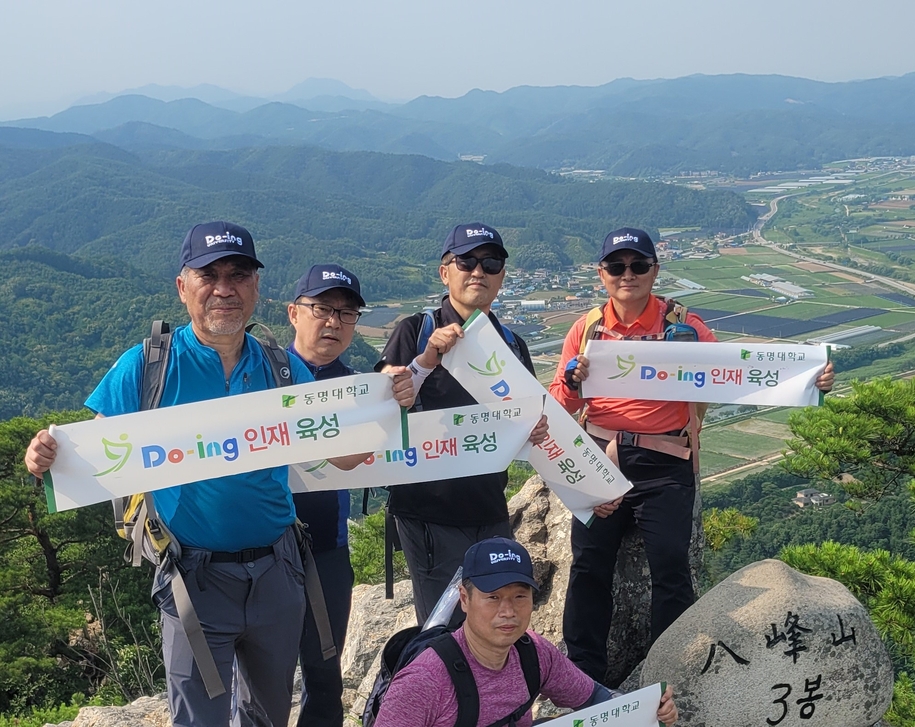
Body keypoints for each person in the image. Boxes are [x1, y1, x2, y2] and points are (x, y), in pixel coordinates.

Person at [24, 223, 369, 727]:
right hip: (194, 578)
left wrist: (389, 408)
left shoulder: (280, 368)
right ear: (182, 287)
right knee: (199, 719)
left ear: (256, 288)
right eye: (209, 275)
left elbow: (341, 456)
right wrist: (44, 456)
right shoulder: (147, 367)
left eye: (239, 275)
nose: (225, 288)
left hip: (278, 573)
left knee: (269, 715)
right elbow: (89, 451)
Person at [549, 227, 835, 683]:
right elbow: (560, 407)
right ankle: (582, 678)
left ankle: (666, 677)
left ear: (654, 271)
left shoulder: (684, 326)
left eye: (638, 265)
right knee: (588, 568)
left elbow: (737, 373)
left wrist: (808, 379)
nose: (628, 275)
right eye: (617, 266)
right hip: (600, 455)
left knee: (670, 570)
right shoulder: (585, 330)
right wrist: (571, 381)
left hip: (667, 461)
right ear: (601, 273)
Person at [376, 223, 548, 625]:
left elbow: (524, 422)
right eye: (466, 261)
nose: (478, 271)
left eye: (490, 263)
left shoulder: (512, 344)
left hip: (490, 507)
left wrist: (533, 432)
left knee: (494, 625)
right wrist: (426, 361)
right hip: (428, 513)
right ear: (445, 272)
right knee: (444, 628)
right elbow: (381, 408)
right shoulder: (415, 332)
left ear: (502, 276)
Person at [280, 263, 414, 726]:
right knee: (264, 676)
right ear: (293, 313)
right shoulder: (260, 373)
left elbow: (352, 459)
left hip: (327, 549)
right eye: (322, 308)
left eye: (347, 312)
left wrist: (392, 400)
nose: (334, 321)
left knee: (324, 673)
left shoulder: (362, 387)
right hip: (257, 549)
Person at [372, 537, 678, 727]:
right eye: (492, 597)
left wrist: (646, 707)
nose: (508, 611)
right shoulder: (425, 680)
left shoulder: (532, 652)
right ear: (465, 600)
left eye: (520, 596)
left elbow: (594, 697)